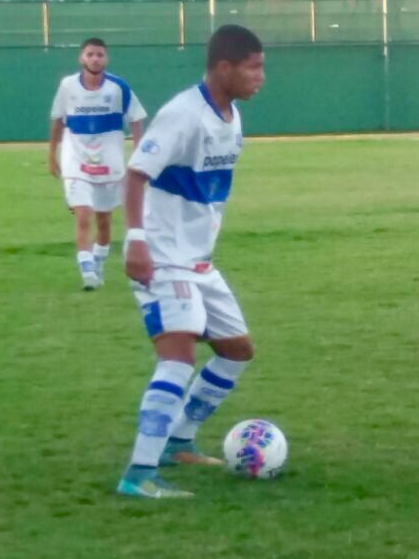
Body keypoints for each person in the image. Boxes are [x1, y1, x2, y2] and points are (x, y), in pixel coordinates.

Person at [115, 25, 265, 499]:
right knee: (177, 358)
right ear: (225, 67)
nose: (261, 77)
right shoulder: (183, 114)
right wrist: (136, 240)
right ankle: (137, 475)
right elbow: (135, 174)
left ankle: (177, 441)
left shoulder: (232, 117)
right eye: (253, 67)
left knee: (237, 350)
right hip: (160, 254)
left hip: (197, 261)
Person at [49, 38, 146, 289]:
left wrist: (139, 150)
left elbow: (136, 118)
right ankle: (88, 273)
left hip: (109, 162)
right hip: (75, 159)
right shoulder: (68, 86)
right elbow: (58, 119)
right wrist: (51, 154)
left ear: (106, 59)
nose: (95, 58)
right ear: (81, 58)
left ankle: (99, 263)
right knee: (83, 215)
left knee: (104, 222)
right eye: (90, 54)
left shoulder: (118, 88)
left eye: (100, 54)